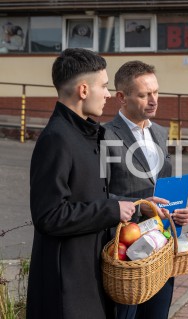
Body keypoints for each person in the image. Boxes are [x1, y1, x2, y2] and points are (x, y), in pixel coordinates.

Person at [27, 48, 138, 319]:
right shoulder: (56, 139)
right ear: (84, 90)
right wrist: (113, 210)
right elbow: (49, 216)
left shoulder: (93, 134)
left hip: (92, 279)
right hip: (66, 290)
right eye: (104, 86)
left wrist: (137, 207)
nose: (109, 94)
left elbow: (95, 196)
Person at [103, 60, 188, 319]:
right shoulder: (104, 135)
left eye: (156, 92)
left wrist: (178, 211)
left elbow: (164, 186)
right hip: (125, 250)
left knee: (158, 313)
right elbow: (98, 194)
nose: (153, 100)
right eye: (144, 95)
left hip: (162, 245)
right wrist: (139, 204)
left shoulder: (161, 134)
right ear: (121, 97)